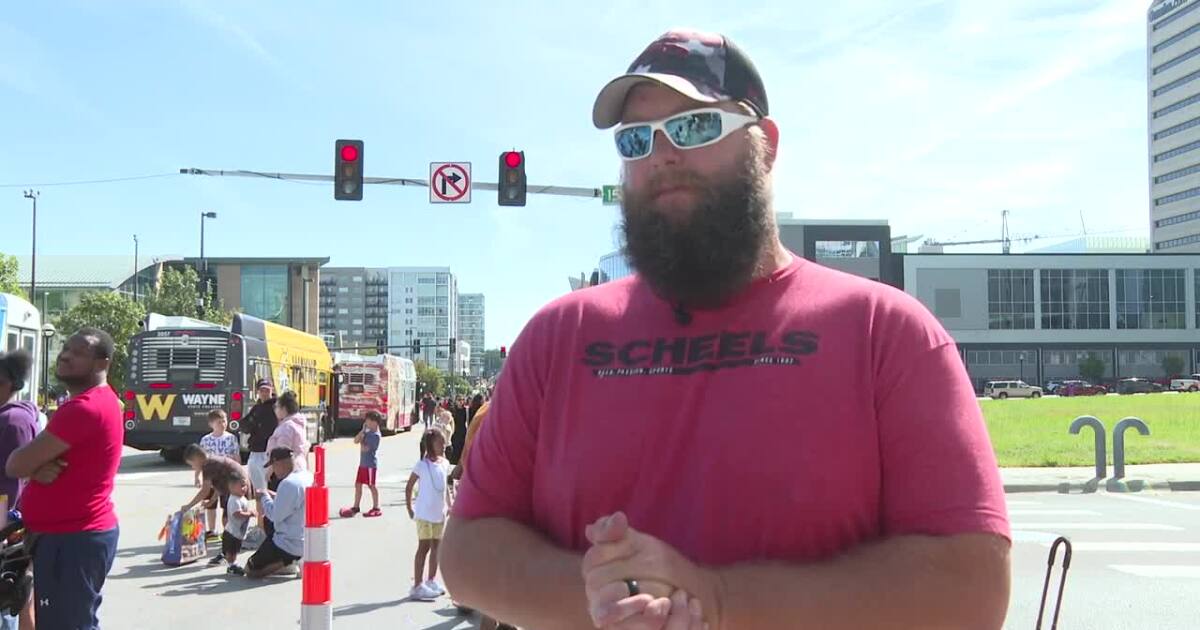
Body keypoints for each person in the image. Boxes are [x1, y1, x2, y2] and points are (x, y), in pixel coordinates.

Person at [441, 29, 1010, 630]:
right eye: (636, 140)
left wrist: (716, 601)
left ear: (765, 144)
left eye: (694, 128)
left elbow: (971, 586)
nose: (661, 156)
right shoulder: (557, 338)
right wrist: (605, 596)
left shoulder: (885, 334)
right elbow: (469, 552)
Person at [6, 328, 124, 630]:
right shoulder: (98, 400)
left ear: (102, 363)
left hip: (73, 538)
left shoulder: (84, 408)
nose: (66, 355)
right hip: (72, 536)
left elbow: (15, 464)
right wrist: (36, 468)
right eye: (66, 348)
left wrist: (30, 466)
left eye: (79, 352)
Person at [0, 350, 39, 630]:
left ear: (11, 384)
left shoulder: (13, 421)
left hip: (8, 527)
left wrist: (2, 529)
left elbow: (11, 484)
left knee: (7, 604)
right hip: (10, 525)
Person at [246, 447, 311, 579]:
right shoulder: (306, 476)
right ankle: (290, 560)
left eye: (273, 467)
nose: (273, 472)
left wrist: (264, 496)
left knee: (250, 570)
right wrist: (273, 495)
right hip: (306, 537)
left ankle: (288, 561)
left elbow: (274, 515)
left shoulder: (288, 484)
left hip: (288, 542)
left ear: (279, 463)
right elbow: (294, 503)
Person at [405, 429, 451, 602]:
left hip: (439, 513)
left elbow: (445, 487)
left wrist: (450, 503)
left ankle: (431, 580)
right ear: (431, 444)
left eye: (444, 442)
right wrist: (410, 508)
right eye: (440, 442)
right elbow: (409, 486)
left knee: (436, 548)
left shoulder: (445, 463)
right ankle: (417, 585)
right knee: (423, 548)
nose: (444, 445)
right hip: (424, 514)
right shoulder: (422, 465)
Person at [180, 443, 245, 564]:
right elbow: (218, 485)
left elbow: (205, 490)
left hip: (236, 488)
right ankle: (228, 551)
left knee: (228, 521)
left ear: (197, 458)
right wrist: (212, 501)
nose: (193, 468)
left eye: (192, 464)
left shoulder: (208, 466)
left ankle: (227, 553)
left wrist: (188, 506)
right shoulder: (212, 461)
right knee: (229, 521)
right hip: (234, 487)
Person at [196, 410, 239, 540]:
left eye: (224, 421)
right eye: (219, 422)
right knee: (210, 504)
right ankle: (212, 530)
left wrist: (238, 473)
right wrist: (197, 476)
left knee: (226, 505)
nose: (223, 424)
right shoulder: (206, 440)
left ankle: (228, 531)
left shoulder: (231, 438)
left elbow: (237, 457)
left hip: (227, 478)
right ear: (211, 424)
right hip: (210, 478)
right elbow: (200, 460)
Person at [242, 379, 278, 515]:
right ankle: (260, 522)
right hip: (255, 452)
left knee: (269, 489)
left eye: (267, 390)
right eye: (261, 390)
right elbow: (244, 425)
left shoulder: (276, 406)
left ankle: (270, 521)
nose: (264, 393)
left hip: (268, 453)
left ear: (272, 390)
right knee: (259, 491)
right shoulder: (256, 408)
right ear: (257, 391)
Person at [338, 410, 382, 518]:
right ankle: (356, 506)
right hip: (363, 464)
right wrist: (362, 432)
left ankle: (376, 507)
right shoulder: (366, 432)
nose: (366, 423)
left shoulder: (375, 435)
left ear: (374, 422)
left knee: (371, 485)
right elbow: (355, 440)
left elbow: (365, 449)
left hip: (370, 465)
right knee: (358, 484)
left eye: (368, 421)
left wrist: (362, 440)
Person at [221, 470, 255, 576]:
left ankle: (233, 563)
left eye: (245, 485)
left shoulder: (242, 498)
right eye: (241, 486)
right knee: (231, 550)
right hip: (232, 532)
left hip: (238, 532)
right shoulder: (234, 500)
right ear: (231, 487)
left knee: (235, 550)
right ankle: (231, 566)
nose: (244, 488)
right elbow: (237, 514)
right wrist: (249, 514)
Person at [266, 391, 309, 473]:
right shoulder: (298, 423)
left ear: (284, 409)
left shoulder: (286, 427)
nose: (275, 410)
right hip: (300, 466)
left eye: (276, 407)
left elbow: (282, 455)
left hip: (286, 471)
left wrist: (271, 470)